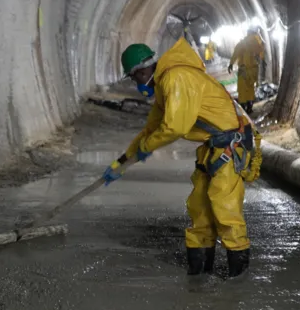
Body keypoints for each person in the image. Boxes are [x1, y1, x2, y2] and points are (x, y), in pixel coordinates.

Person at [102, 38, 262, 278]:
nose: (135, 84)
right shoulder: (163, 87)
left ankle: (237, 279)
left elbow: (174, 127)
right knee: (199, 207)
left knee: (224, 208)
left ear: (143, 71)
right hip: (214, 146)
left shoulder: (176, 78)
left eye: (133, 77)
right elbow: (150, 130)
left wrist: (147, 147)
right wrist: (121, 162)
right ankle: (199, 272)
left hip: (232, 144)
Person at [228, 27, 265, 113]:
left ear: (248, 33)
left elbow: (236, 53)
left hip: (243, 69)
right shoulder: (258, 43)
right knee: (250, 88)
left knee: (242, 89)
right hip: (253, 70)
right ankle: (250, 107)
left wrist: (231, 64)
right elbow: (261, 54)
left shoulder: (243, 43)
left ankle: (244, 107)